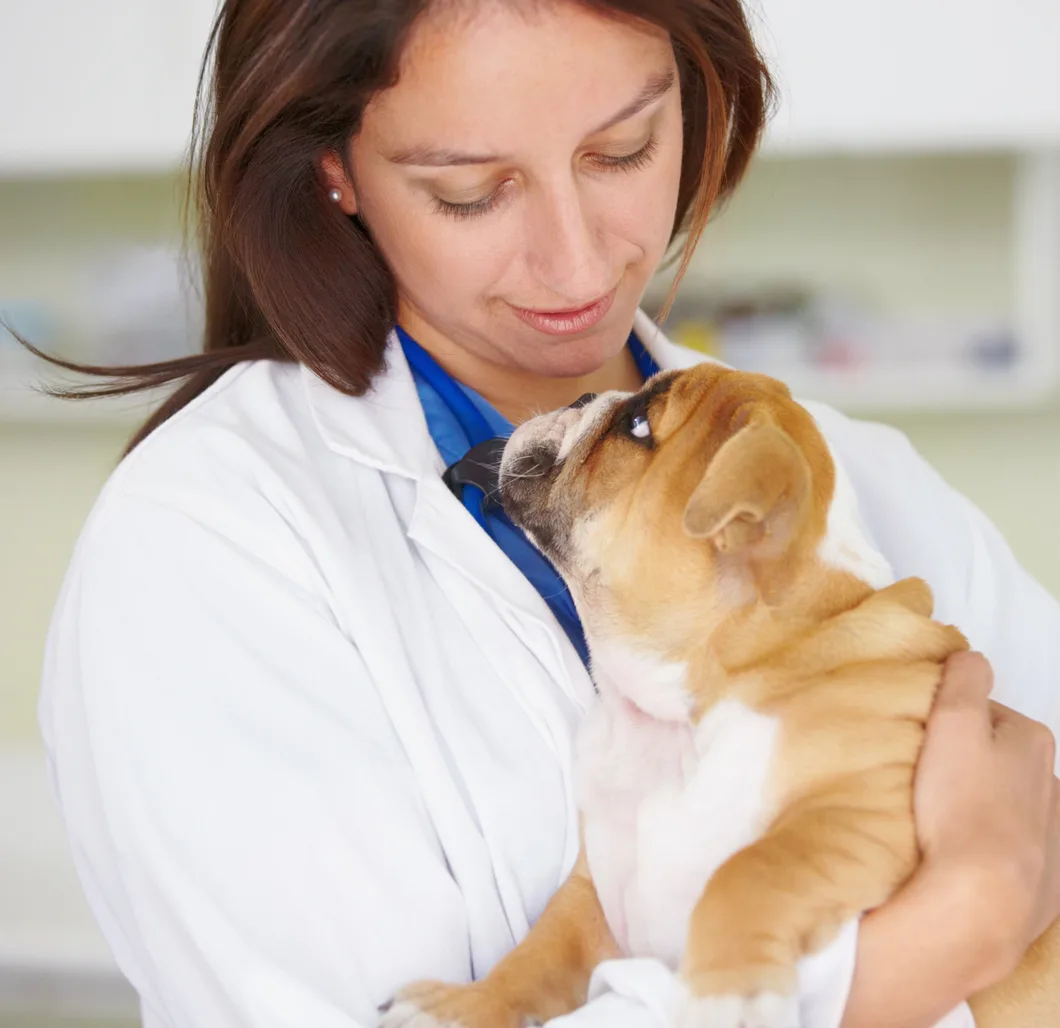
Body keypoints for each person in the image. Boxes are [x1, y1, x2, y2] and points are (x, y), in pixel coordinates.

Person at [35, 1, 1060, 1027]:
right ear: (332, 169)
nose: (577, 264)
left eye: (623, 150)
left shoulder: (864, 486)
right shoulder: (205, 545)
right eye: (470, 193)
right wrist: (946, 930)